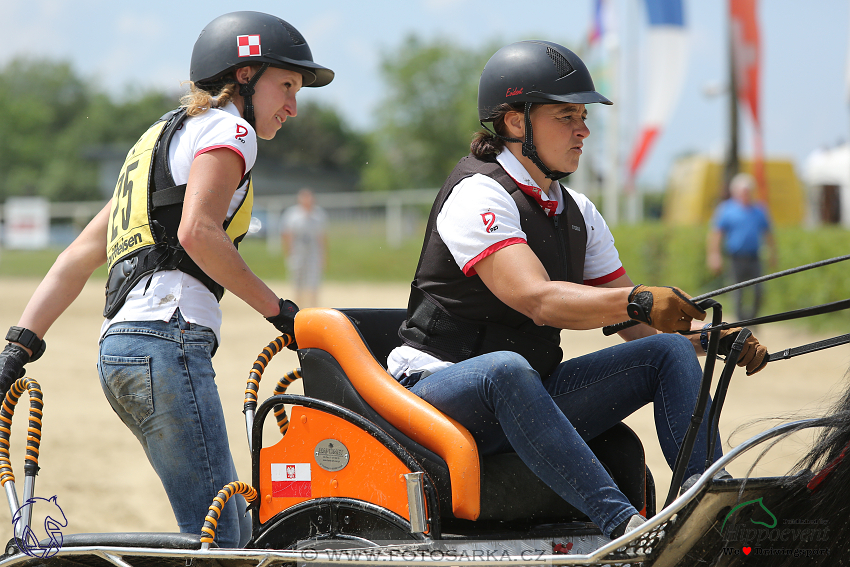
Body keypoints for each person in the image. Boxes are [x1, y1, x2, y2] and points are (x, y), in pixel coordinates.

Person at [388, 40, 769, 541]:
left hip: (530, 393)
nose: (583, 130)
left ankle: (707, 514)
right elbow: (538, 300)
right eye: (566, 116)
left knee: (667, 351)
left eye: (582, 116)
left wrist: (708, 338)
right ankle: (627, 527)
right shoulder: (477, 193)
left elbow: (635, 323)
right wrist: (639, 299)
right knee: (506, 370)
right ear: (516, 122)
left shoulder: (578, 212)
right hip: (435, 394)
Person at [0, 11, 333, 548]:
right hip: (167, 342)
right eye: (287, 85)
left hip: (121, 354)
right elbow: (199, 232)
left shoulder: (157, 142)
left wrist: (17, 347)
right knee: (221, 543)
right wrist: (282, 313)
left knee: (217, 531)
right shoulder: (232, 129)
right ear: (244, 77)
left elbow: (81, 253)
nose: (293, 105)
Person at [707, 172, 778, 321]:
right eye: (743, 191)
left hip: (755, 257)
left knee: (759, 291)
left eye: (748, 191)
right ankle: (740, 322)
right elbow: (716, 234)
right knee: (737, 293)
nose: (746, 194)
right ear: (735, 192)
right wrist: (714, 255)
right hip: (735, 258)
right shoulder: (726, 209)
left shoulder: (759, 210)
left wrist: (773, 254)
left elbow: (768, 234)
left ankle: (751, 319)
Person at [280, 187, 327, 307]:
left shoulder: (318, 215)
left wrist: (323, 255)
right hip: (298, 253)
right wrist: (289, 252)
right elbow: (287, 235)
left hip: (313, 253)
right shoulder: (292, 215)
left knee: (313, 282)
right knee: (297, 282)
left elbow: (322, 237)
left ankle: (313, 306)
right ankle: (298, 306)